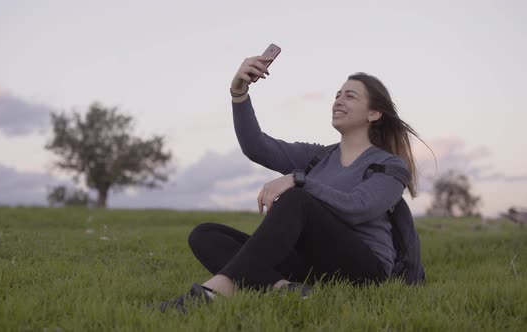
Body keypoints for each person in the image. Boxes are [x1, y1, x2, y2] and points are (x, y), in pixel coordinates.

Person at [159, 54, 422, 313]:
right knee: (206, 235)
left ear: (374, 113)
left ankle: (211, 293)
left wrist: (298, 181)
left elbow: (358, 207)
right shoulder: (318, 157)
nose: (338, 101)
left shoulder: (390, 165)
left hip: (363, 270)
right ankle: (284, 288)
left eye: (350, 96)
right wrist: (239, 93)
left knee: (297, 198)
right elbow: (257, 147)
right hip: (310, 265)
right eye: (337, 95)